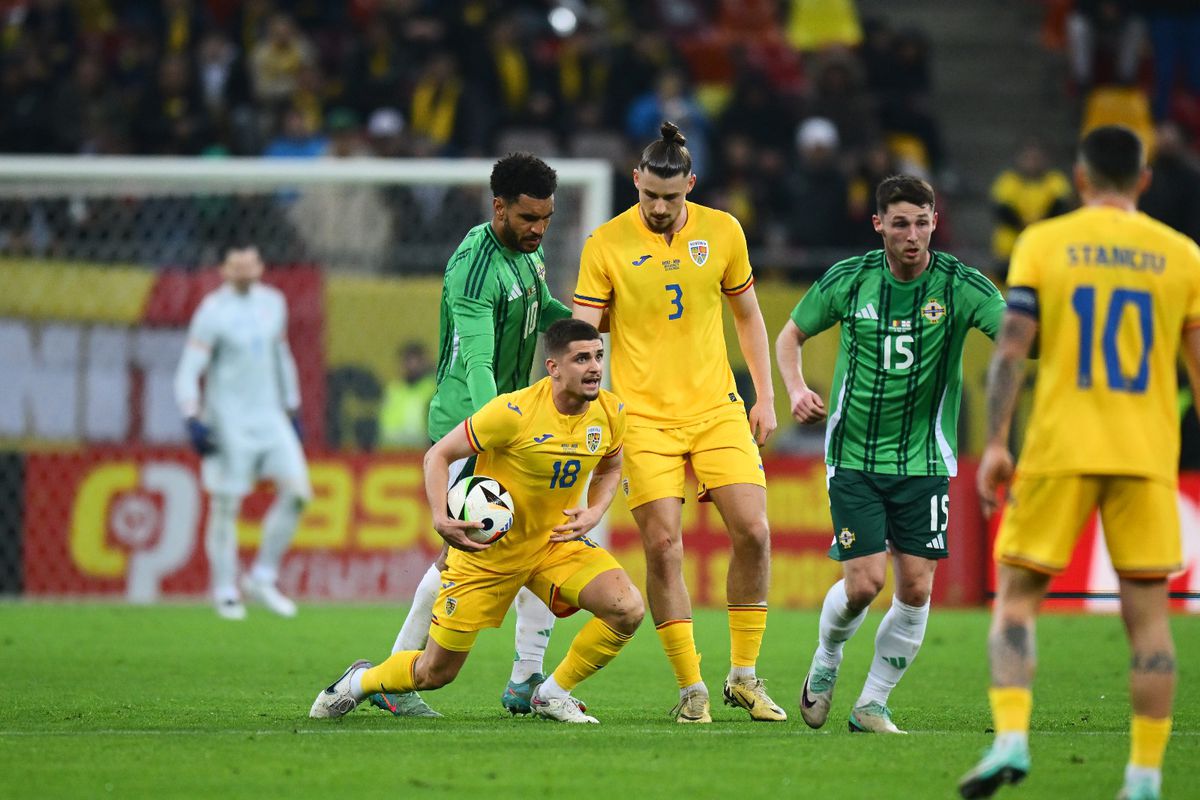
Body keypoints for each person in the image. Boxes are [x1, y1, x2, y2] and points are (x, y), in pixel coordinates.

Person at [959, 125, 1200, 800]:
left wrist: (997, 442)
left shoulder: (1044, 242)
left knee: (1016, 601)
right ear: (1143, 180)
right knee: (1149, 622)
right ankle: (1144, 777)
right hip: (1146, 456)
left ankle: (1011, 739)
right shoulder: (1183, 256)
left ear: (1081, 178)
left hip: (1060, 448)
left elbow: (1011, 350)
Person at [310, 319, 642, 724]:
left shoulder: (610, 411)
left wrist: (595, 510)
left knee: (627, 608)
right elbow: (438, 456)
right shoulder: (513, 413)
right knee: (435, 673)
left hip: (554, 545)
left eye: (598, 356)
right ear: (553, 367)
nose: (594, 368)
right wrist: (440, 516)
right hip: (488, 554)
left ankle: (552, 694)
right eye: (582, 359)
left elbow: (611, 467)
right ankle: (360, 681)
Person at [776, 175, 1006, 734]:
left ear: (935, 222)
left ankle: (872, 703)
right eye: (900, 223)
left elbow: (1017, 336)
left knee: (918, 587)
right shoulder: (850, 279)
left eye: (922, 222)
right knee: (863, 585)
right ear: (879, 224)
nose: (912, 235)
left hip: (925, 459)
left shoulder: (960, 285)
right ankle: (826, 659)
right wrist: (796, 388)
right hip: (853, 455)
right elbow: (790, 336)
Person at [573, 122, 784, 724]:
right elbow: (583, 333)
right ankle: (692, 689)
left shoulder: (724, 231)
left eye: (671, 197)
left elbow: (748, 316)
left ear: (690, 185)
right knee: (664, 547)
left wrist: (764, 396)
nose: (660, 207)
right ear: (635, 181)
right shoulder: (605, 244)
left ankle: (743, 676)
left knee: (755, 531)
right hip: (641, 419)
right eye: (650, 195)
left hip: (717, 409)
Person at [370, 152, 574, 719]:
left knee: (540, 540)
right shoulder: (476, 269)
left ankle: (525, 677)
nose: (539, 229)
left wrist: (591, 326)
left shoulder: (527, 252)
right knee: (462, 553)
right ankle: (398, 674)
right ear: (499, 208)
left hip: (507, 422)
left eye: (547, 219)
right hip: (471, 427)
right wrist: (501, 430)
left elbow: (540, 310)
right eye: (529, 218)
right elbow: (479, 363)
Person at [173, 244, 310, 620]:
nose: (245, 270)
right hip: (227, 421)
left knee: (298, 494)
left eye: (250, 263)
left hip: (270, 418)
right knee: (225, 504)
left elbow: (281, 357)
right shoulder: (212, 312)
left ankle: (262, 578)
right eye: (236, 264)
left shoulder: (273, 303)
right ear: (224, 269)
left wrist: (292, 406)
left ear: (260, 266)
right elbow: (189, 368)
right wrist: (191, 415)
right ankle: (225, 590)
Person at [376, 341, 436, 450]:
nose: (411, 365)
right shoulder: (393, 389)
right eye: (407, 360)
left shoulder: (432, 388)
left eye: (415, 360)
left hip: (421, 448)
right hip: (390, 448)